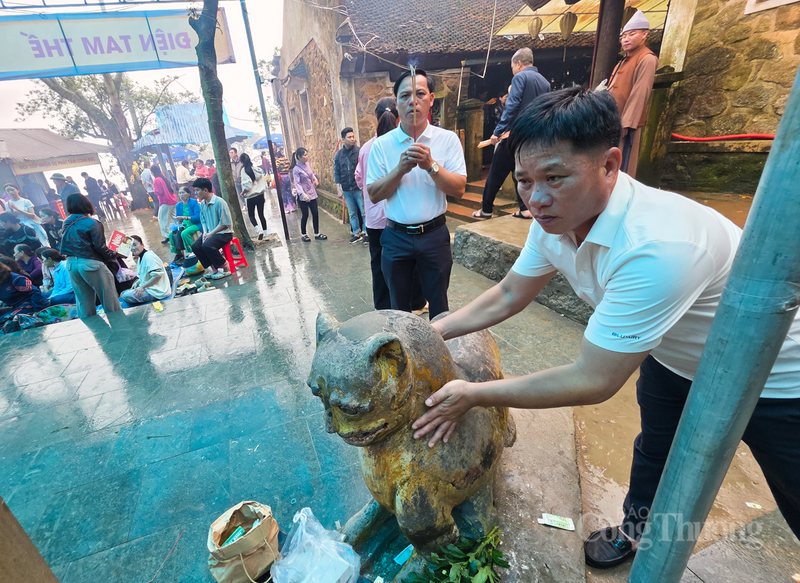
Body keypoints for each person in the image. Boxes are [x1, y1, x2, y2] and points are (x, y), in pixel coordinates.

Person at [409, 86, 800, 569]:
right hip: (673, 354)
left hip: (776, 380)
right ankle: (636, 532)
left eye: (555, 177)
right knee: (654, 452)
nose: (536, 198)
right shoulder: (554, 220)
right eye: (524, 181)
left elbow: (594, 379)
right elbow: (510, 294)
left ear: (610, 165)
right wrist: (430, 333)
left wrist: (473, 394)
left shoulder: (657, 246)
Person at [366, 69, 467, 319]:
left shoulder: (448, 140)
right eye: (405, 96)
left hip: (434, 235)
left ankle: (439, 343)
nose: (413, 101)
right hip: (396, 236)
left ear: (431, 99)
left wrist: (431, 166)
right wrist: (400, 169)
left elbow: (459, 189)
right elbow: (374, 194)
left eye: (420, 94)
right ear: (397, 103)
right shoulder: (382, 145)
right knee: (398, 309)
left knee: (439, 306)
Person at [355, 97, 427, 313]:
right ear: (399, 117)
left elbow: (359, 179)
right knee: (410, 263)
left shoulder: (366, 148)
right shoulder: (406, 145)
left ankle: (383, 308)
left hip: (375, 218)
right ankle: (416, 304)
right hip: (399, 217)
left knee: (378, 264)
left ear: (376, 117)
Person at [474, 48, 550, 220]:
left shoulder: (520, 77)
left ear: (519, 63)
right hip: (532, 138)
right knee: (520, 172)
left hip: (513, 135)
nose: (513, 71)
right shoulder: (544, 82)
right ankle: (525, 209)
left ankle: (486, 209)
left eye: (512, 67)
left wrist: (497, 132)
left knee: (495, 173)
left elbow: (512, 106)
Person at [607, 10, 658, 178]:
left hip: (627, 122)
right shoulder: (623, 61)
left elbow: (641, 92)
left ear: (644, 34)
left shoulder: (647, 59)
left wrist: (627, 122)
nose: (626, 39)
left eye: (632, 34)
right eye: (623, 36)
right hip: (613, 119)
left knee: (623, 163)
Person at [59, 193, 122, 318]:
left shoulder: (67, 222)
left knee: (83, 302)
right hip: (90, 264)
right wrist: (114, 254)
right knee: (109, 299)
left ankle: (92, 328)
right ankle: (119, 325)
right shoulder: (92, 223)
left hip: (71, 264)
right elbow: (100, 247)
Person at [191, 177, 233, 280]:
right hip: (210, 233)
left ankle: (226, 268)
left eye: (197, 190)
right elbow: (203, 220)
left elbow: (224, 224)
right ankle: (214, 269)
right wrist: (205, 232)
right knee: (195, 246)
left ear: (205, 190)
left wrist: (211, 234)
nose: (196, 193)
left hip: (224, 233)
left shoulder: (219, 202)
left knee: (207, 245)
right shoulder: (202, 204)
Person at [335, 127, 367, 244]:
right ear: (343, 139)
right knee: (352, 213)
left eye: (353, 137)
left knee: (364, 212)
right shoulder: (339, 155)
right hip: (346, 188)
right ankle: (356, 232)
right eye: (349, 137)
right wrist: (338, 189)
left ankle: (367, 233)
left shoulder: (359, 151)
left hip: (358, 188)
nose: (352, 139)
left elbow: (364, 169)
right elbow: (337, 171)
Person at [120, 236, 171, 306]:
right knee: (123, 293)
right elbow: (146, 275)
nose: (133, 248)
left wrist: (142, 287)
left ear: (142, 244)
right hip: (150, 288)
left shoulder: (149, 257)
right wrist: (139, 282)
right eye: (130, 246)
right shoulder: (141, 258)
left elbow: (157, 276)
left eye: (135, 245)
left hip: (157, 291)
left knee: (126, 296)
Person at [291, 148, 327, 242]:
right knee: (305, 215)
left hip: (312, 193)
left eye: (307, 154)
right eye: (305, 155)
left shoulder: (307, 164)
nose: (306, 157)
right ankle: (304, 234)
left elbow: (311, 174)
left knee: (315, 213)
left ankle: (317, 233)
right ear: (299, 157)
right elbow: (297, 183)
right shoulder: (296, 169)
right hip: (303, 196)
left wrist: (315, 179)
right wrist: (302, 194)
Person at [239, 153, 269, 240]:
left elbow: (247, 186)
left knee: (251, 215)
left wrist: (242, 193)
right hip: (260, 195)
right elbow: (263, 183)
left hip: (251, 197)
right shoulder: (257, 170)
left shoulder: (244, 171)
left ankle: (258, 230)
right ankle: (266, 234)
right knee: (261, 215)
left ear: (242, 162)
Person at [170, 186, 202, 263]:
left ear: (188, 194)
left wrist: (185, 217)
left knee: (184, 233)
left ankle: (194, 252)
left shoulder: (194, 202)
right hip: (184, 224)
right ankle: (179, 254)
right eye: (180, 193)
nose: (181, 195)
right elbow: (178, 218)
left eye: (183, 192)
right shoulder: (178, 205)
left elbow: (198, 217)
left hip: (195, 223)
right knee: (171, 234)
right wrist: (178, 223)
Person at [151, 165, 178, 244]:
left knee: (162, 219)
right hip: (172, 200)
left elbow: (159, 192)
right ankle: (180, 230)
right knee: (175, 217)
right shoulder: (163, 178)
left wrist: (154, 189)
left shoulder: (156, 180)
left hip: (165, 201)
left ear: (153, 172)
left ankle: (167, 236)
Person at [274, 147, 295, 213]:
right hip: (288, 176)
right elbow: (289, 166)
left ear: (276, 156)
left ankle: (286, 208)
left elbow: (276, 168)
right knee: (289, 191)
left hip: (281, 177)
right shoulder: (286, 159)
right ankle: (292, 207)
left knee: (283, 192)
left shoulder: (278, 160)